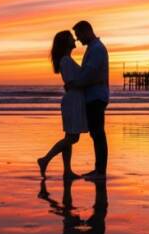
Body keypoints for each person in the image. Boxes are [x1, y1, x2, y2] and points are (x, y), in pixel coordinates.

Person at [38, 31, 88, 179]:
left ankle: (67, 171)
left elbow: (70, 83)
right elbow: (71, 82)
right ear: (66, 42)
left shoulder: (67, 59)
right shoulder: (66, 60)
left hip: (74, 99)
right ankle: (45, 159)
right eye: (71, 38)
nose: (75, 39)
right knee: (72, 138)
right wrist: (88, 83)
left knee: (69, 137)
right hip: (73, 101)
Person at [67, 21, 109, 180]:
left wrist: (74, 84)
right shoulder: (94, 48)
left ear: (86, 31)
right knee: (96, 134)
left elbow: (91, 74)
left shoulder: (97, 49)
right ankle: (98, 170)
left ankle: (100, 171)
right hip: (94, 96)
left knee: (98, 134)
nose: (78, 40)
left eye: (79, 36)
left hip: (96, 97)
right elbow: (89, 73)